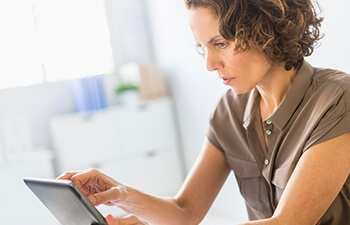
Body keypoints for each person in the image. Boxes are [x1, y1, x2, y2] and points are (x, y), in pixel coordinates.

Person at [58, 0, 350, 224]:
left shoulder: (336, 100)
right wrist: (120, 194)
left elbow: (288, 223)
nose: (210, 64)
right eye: (203, 47)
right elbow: (185, 211)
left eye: (220, 43)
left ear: (266, 31)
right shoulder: (229, 111)